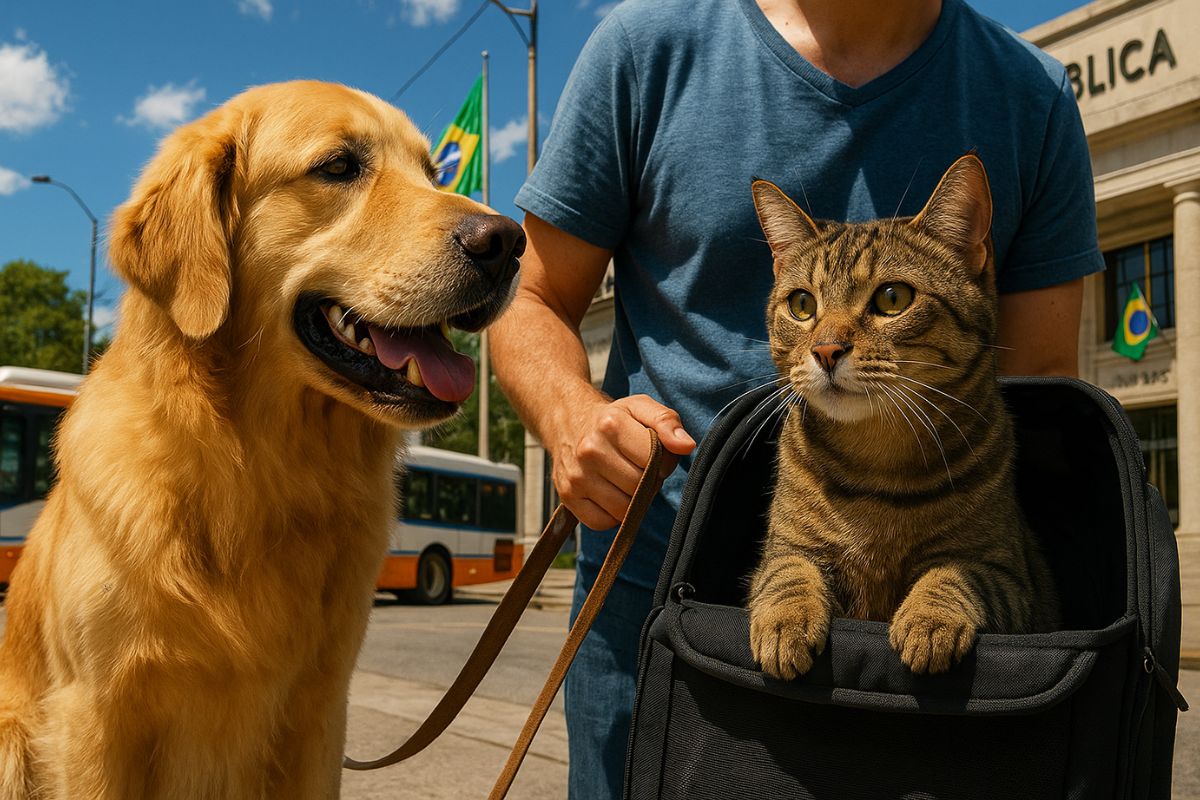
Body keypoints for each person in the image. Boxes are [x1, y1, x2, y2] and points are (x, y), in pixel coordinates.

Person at [489, 0, 1103, 796]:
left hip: (945, 665)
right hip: (650, 595)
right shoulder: (644, 49)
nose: (833, 344)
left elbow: (1044, 387)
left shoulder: (1031, 93)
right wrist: (573, 420)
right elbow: (527, 297)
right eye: (812, 314)